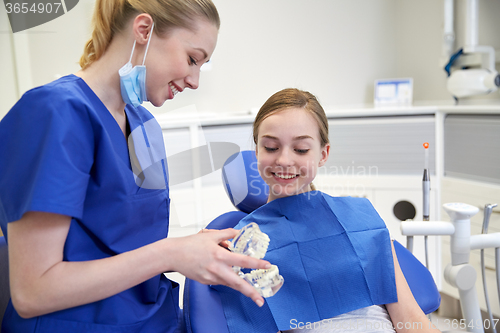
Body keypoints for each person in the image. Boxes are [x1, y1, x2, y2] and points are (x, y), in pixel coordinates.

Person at [0, 1, 271, 332]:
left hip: (154, 318)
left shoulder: (145, 126)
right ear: (144, 30)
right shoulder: (55, 113)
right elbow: (32, 292)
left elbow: (125, 244)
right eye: (192, 59)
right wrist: (171, 254)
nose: (195, 80)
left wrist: (193, 249)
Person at [214, 88, 442, 333]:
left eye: (301, 149)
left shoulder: (360, 221)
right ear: (257, 151)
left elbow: (412, 322)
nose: (284, 160)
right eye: (270, 147)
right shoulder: (242, 246)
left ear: (323, 154)